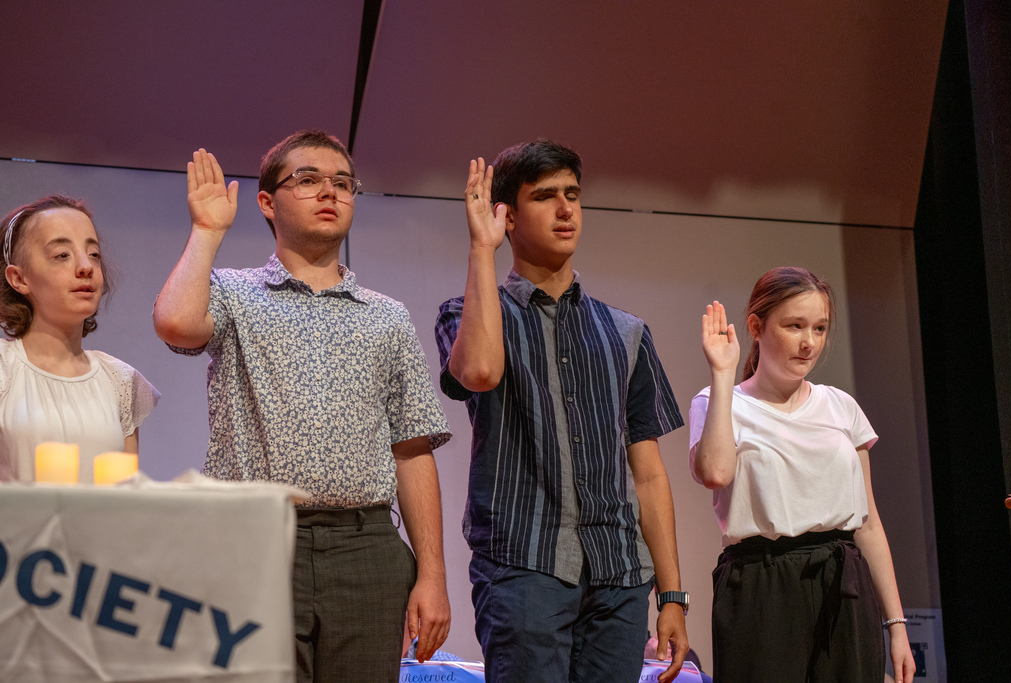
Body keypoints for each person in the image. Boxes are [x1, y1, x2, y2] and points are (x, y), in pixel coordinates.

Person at [152, 131, 452, 683]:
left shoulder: (385, 316)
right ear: (267, 202)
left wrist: (432, 574)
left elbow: (412, 450)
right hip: (257, 541)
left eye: (342, 183)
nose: (329, 193)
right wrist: (206, 231)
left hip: (366, 549)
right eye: (308, 180)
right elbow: (175, 322)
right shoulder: (234, 291)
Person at [435, 140, 689, 683]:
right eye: (545, 196)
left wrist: (672, 593)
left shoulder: (626, 332)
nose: (566, 208)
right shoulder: (466, 313)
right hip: (524, 564)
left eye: (572, 194)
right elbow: (478, 373)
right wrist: (483, 249)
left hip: (619, 570)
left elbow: (647, 472)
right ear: (507, 213)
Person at [689, 267, 916, 683]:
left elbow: (868, 524)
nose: (809, 342)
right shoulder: (718, 400)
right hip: (761, 580)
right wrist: (722, 374)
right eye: (794, 326)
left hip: (842, 578)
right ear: (757, 326)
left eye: (819, 328)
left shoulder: (840, 406)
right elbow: (716, 473)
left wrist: (895, 625)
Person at [0, 195, 159, 483]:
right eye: (62, 255)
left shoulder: (119, 381)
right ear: (19, 279)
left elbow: (127, 500)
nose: (85, 266)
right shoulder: (4, 369)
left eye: (94, 254)